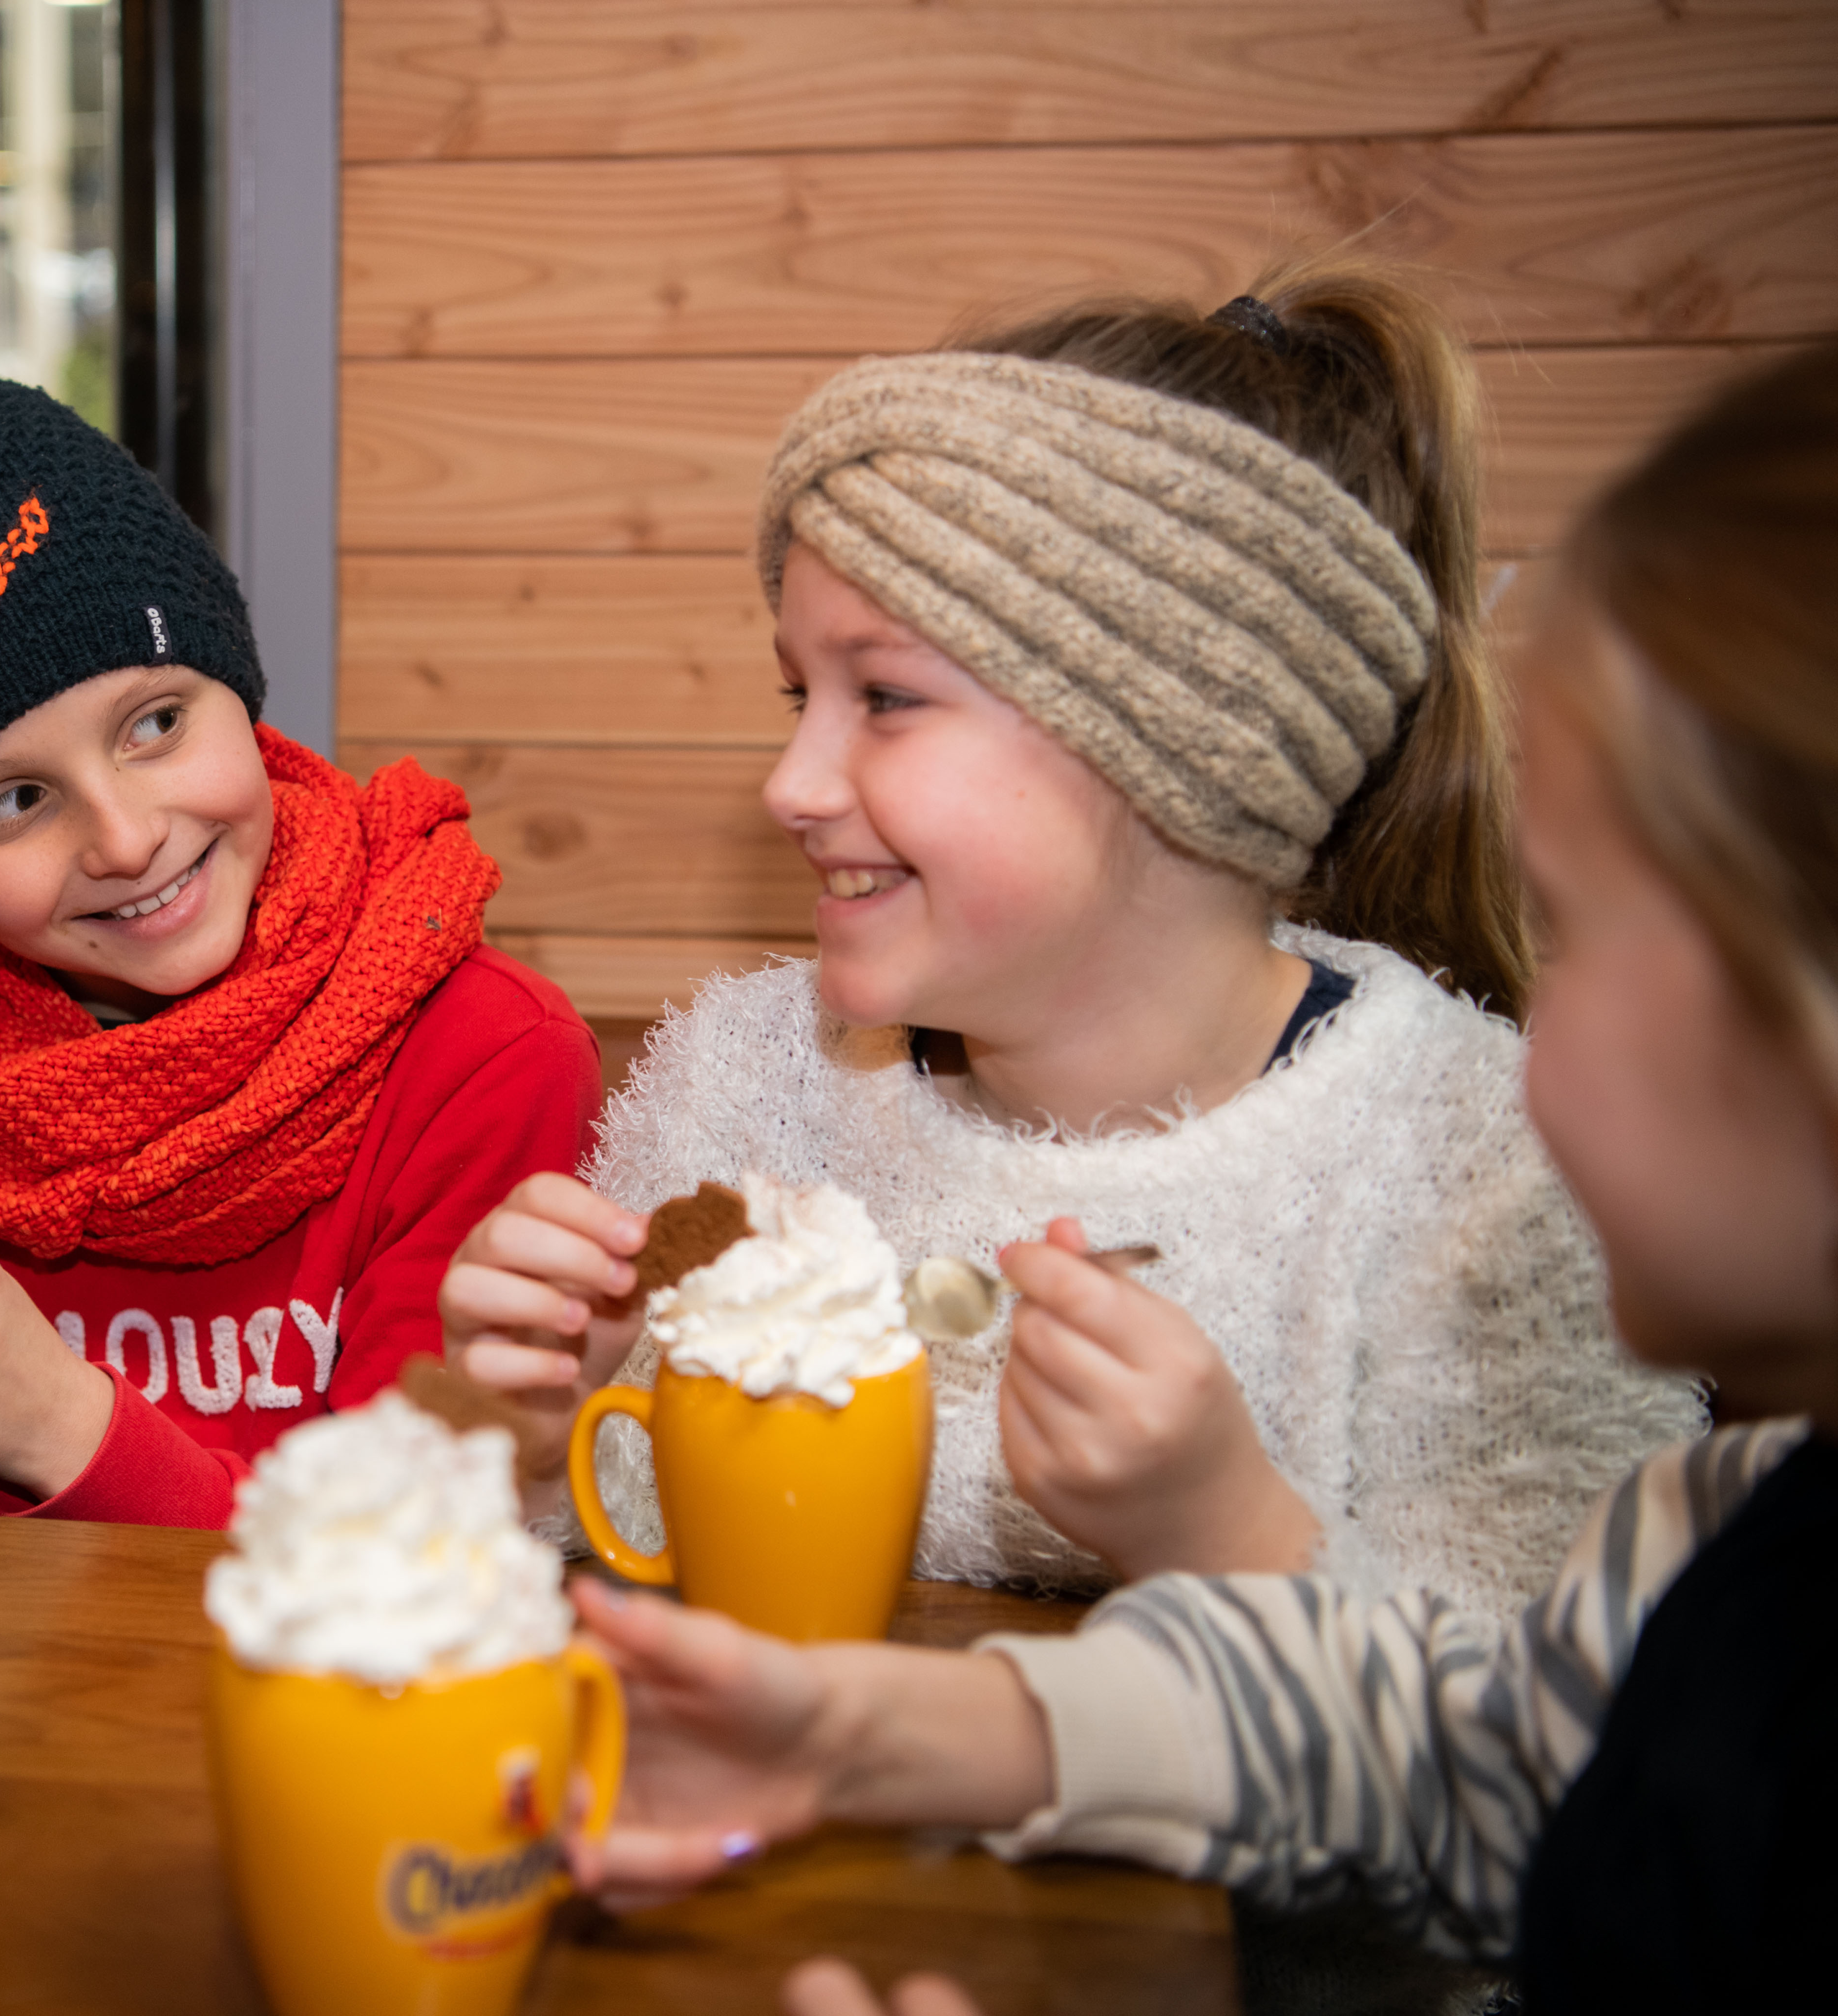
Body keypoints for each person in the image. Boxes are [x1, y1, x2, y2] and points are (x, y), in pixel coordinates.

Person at [569, 340, 1838, 2013]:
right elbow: (1472, 1745)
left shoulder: (1463, 1173)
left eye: (1585, 926)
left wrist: (1219, 1526)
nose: (1527, 1037)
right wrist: (890, 1726)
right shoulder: (1738, 1532)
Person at [442, 260, 1698, 1616]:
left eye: (888, 698)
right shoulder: (744, 1086)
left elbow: (1564, 1744)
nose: (791, 784)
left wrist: (1230, 1532)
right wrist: (531, 1429)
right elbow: (598, 1562)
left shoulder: (1495, 1178)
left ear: (1177, 741)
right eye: (801, 694)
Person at [0, 378, 602, 1525]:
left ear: (237, 685)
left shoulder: (480, 1058)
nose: (127, 839)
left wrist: (64, 1428)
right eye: (17, 799)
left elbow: (412, 1566)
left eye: (155, 723)